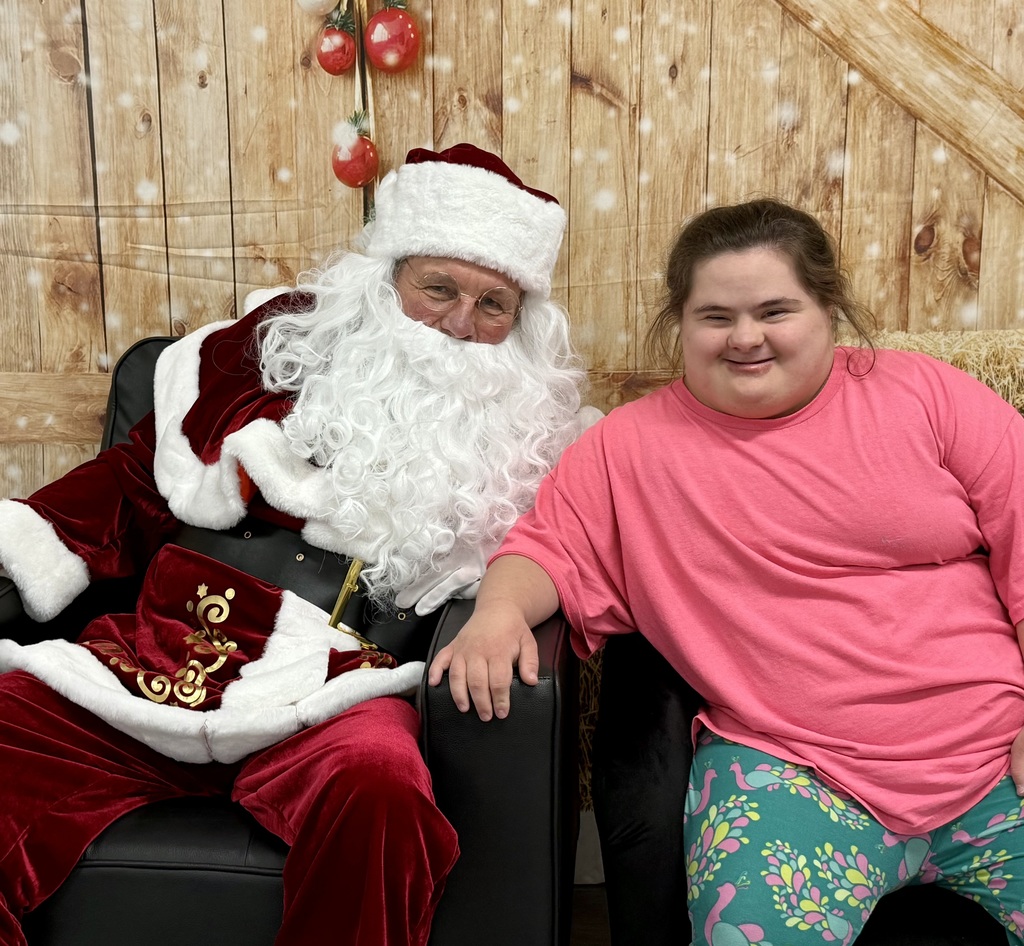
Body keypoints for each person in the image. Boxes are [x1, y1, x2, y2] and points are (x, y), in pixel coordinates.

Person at [0, 143, 598, 946]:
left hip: (340, 688)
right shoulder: (255, 373)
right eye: (438, 289)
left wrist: (500, 615)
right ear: (385, 283)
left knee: (382, 793)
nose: (462, 325)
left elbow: (563, 552)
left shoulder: (538, 440)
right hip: (160, 656)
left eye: (494, 305)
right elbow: (129, 488)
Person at [430, 197, 1024, 943]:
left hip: (998, 756)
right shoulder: (630, 451)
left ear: (828, 311)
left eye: (775, 310)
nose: (746, 337)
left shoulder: (925, 395)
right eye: (716, 317)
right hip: (794, 772)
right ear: (682, 322)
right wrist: (497, 614)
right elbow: (547, 548)